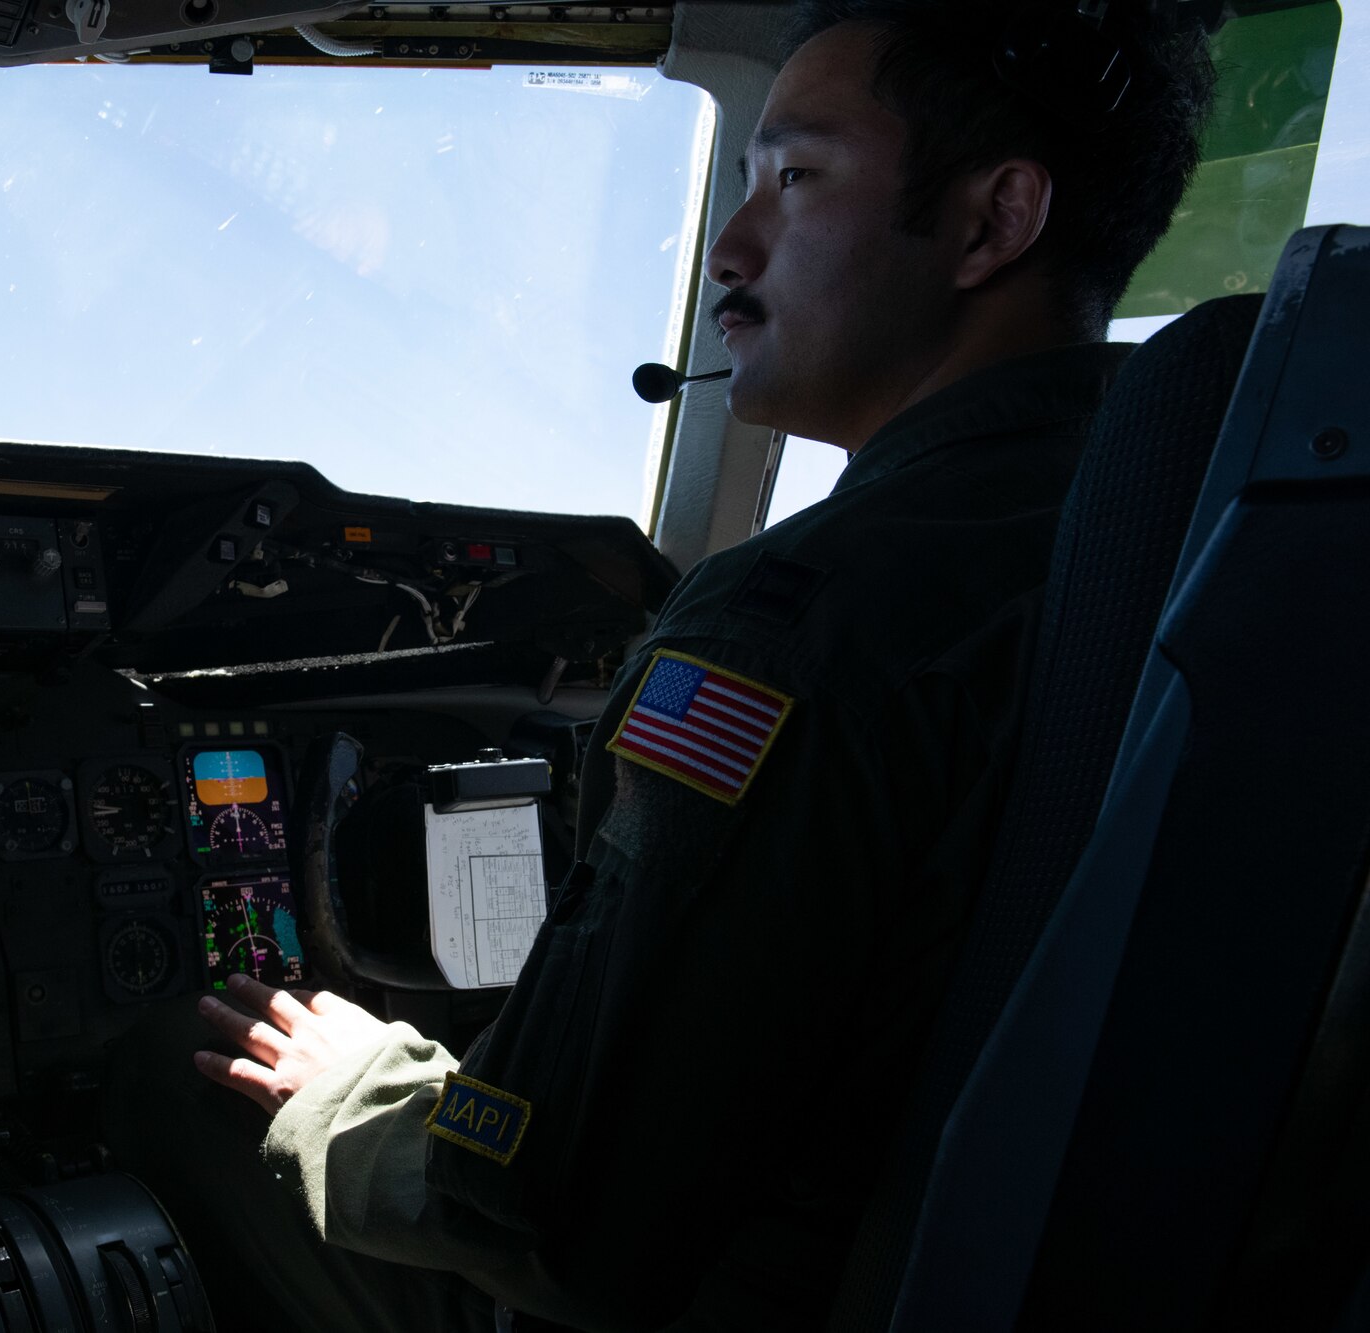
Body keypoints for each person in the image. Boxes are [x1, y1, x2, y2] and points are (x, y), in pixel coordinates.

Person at [103, 2, 1218, 1328]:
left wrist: (353, 1079)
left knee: (185, 1055)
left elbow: (553, 1199)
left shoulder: (800, 623)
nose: (732, 249)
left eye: (796, 178)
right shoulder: (1182, 524)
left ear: (991, 221)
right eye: (741, 182)